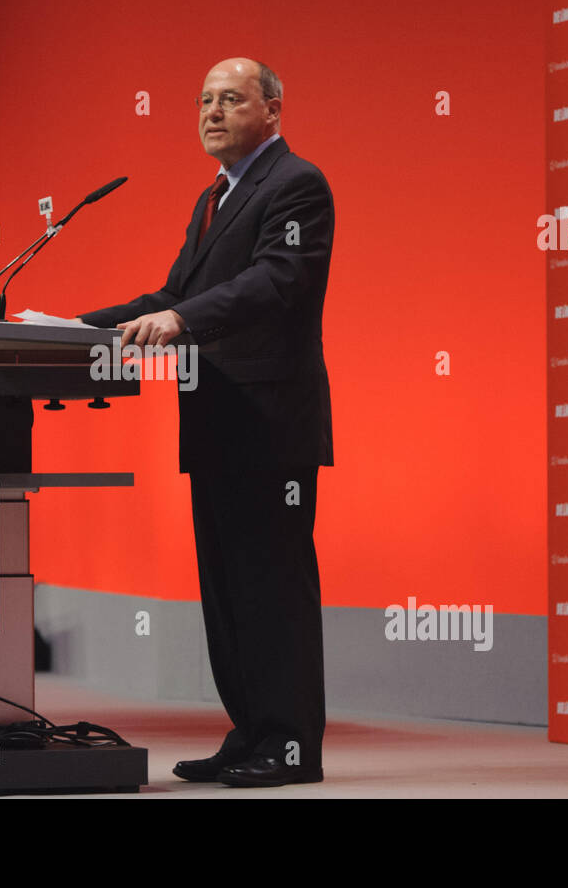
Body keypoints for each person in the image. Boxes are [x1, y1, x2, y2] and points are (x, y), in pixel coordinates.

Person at [76, 58, 333, 786]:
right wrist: (70, 326)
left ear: (273, 111)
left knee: (272, 588)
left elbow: (274, 283)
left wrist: (182, 317)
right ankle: (251, 733)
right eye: (204, 101)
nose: (212, 112)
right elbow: (173, 291)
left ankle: (289, 748)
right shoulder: (213, 199)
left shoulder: (297, 185)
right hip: (218, 421)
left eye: (231, 99)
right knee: (227, 592)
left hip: (269, 419)